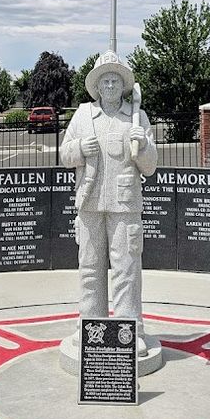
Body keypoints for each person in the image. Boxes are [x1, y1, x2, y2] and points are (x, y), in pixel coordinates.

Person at [60, 50, 157, 351]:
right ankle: (91, 327)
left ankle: (130, 331)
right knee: (90, 268)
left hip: (125, 205)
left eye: (115, 80)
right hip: (89, 203)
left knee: (126, 269)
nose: (111, 86)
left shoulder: (137, 117)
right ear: (98, 86)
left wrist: (142, 145)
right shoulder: (82, 115)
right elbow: (64, 155)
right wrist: (79, 148)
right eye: (105, 81)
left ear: (123, 85)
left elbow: (150, 167)